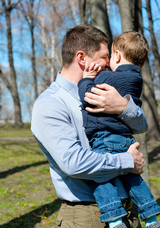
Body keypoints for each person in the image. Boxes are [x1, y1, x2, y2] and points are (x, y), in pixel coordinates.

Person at [31, 25, 147, 228]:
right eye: (104, 56)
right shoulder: (50, 103)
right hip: (89, 217)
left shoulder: (107, 89)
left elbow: (142, 125)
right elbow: (74, 163)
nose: (110, 63)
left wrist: (122, 107)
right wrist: (127, 161)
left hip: (130, 213)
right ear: (82, 58)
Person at [78, 31, 160, 228]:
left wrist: (86, 78)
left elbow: (88, 95)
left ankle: (114, 219)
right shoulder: (136, 79)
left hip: (105, 138)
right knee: (133, 178)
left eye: (108, 58)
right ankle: (150, 217)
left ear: (116, 55)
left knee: (101, 177)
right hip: (125, 139)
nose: (106, 63)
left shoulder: (108, 77)